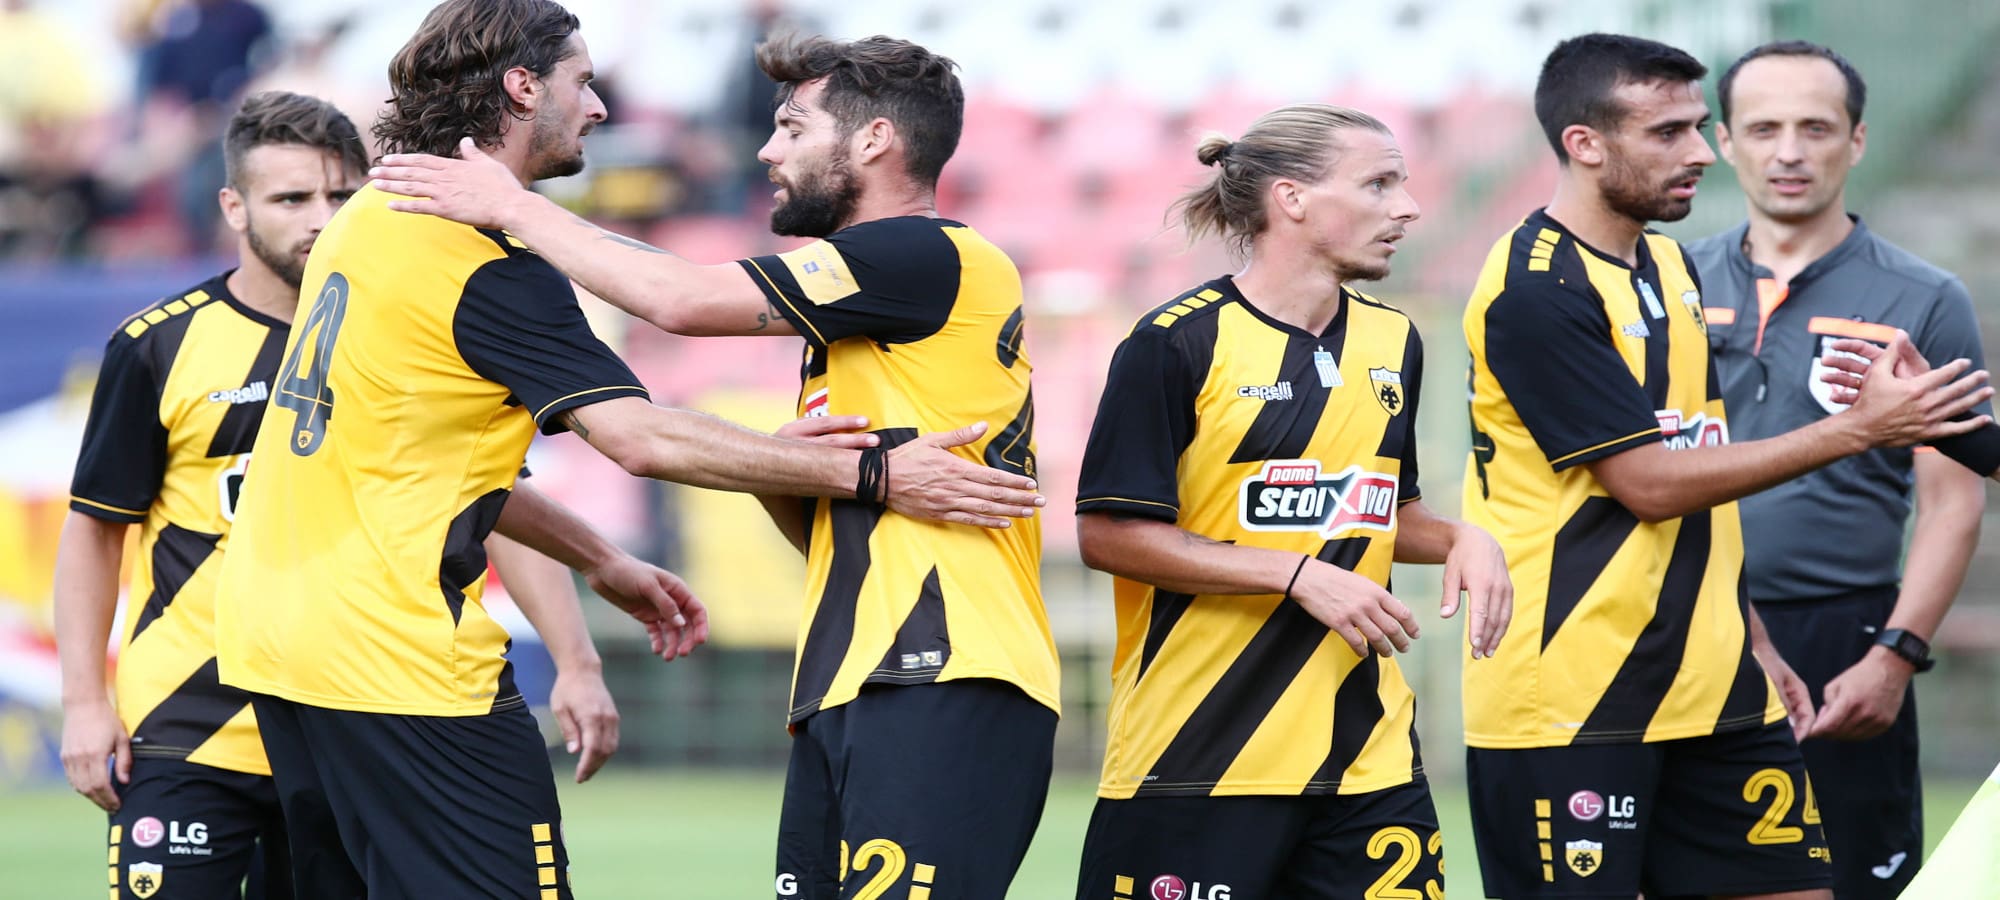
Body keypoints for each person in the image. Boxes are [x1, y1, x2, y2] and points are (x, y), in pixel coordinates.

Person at [212, 5, 1042, 899]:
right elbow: (641, 427)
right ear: (522, 87)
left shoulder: (367, 221)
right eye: (583, 82)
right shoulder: (482, 255)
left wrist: (610, 554)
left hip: (282, 648)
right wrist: (863, 472)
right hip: (397, 655)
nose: (601, 106)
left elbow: (429, 463)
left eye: (791, 128)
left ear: (876, 139)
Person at [53, 90, 625, 900]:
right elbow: (94, 529)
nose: (320, 219)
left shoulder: (402, 322)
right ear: (234, 207)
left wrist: (577, 659)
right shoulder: (159, 345)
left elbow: (487, 496)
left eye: (341, 196)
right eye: (292, 199)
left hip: (354, 720)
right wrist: (84, 702)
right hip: (190, 722)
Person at [1459, 32, 1990, 900]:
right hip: (1580, 692)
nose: (1704, 152)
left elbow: (1696, 455)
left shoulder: (1667, 266)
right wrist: (1858, 429)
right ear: (1584, 144)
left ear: (1856, 139)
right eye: (1671, 132)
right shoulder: (1536, 290)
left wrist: (1754, 641)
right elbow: (1650, 485)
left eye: (1699, 126)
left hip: (1725, 670)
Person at [1067, 103, 1511, 900]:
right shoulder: (1175, 342)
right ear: (1292, 199)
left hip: (1368, 761)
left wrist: (1459, 539)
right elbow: (1109, 534)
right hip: (1197, 756)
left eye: (1403, 183)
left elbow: (1382, 510)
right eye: (1378, 184)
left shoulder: (1394, 340)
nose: (1408, 207)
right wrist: (1297, 575)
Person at [1684, 40, 1989, 898]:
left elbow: (1953, 500)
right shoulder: (1667, 283)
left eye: (1815, 128)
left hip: (1844, 634)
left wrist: (1896, 652)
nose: (1789, 151)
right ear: (1725, 141)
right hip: (1687, 625)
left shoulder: (1924, 296)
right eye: (1764, 128)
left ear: (1856, 140)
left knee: (1850, 879)